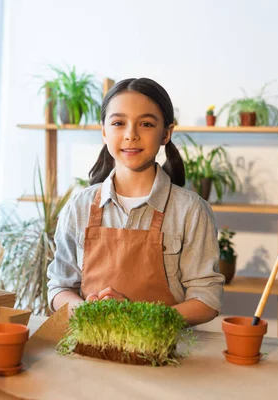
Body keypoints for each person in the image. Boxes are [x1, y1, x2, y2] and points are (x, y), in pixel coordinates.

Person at [46, 78, 224, 326]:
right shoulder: (79, 207)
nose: (131, 135)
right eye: (119, 123)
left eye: (146, 124)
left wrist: (138, 319)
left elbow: (207, 299)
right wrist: (87, 311)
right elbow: (59, 287)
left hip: (164, 355)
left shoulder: (191, 210)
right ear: (104, 132)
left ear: (166, 133)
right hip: (91, 349)